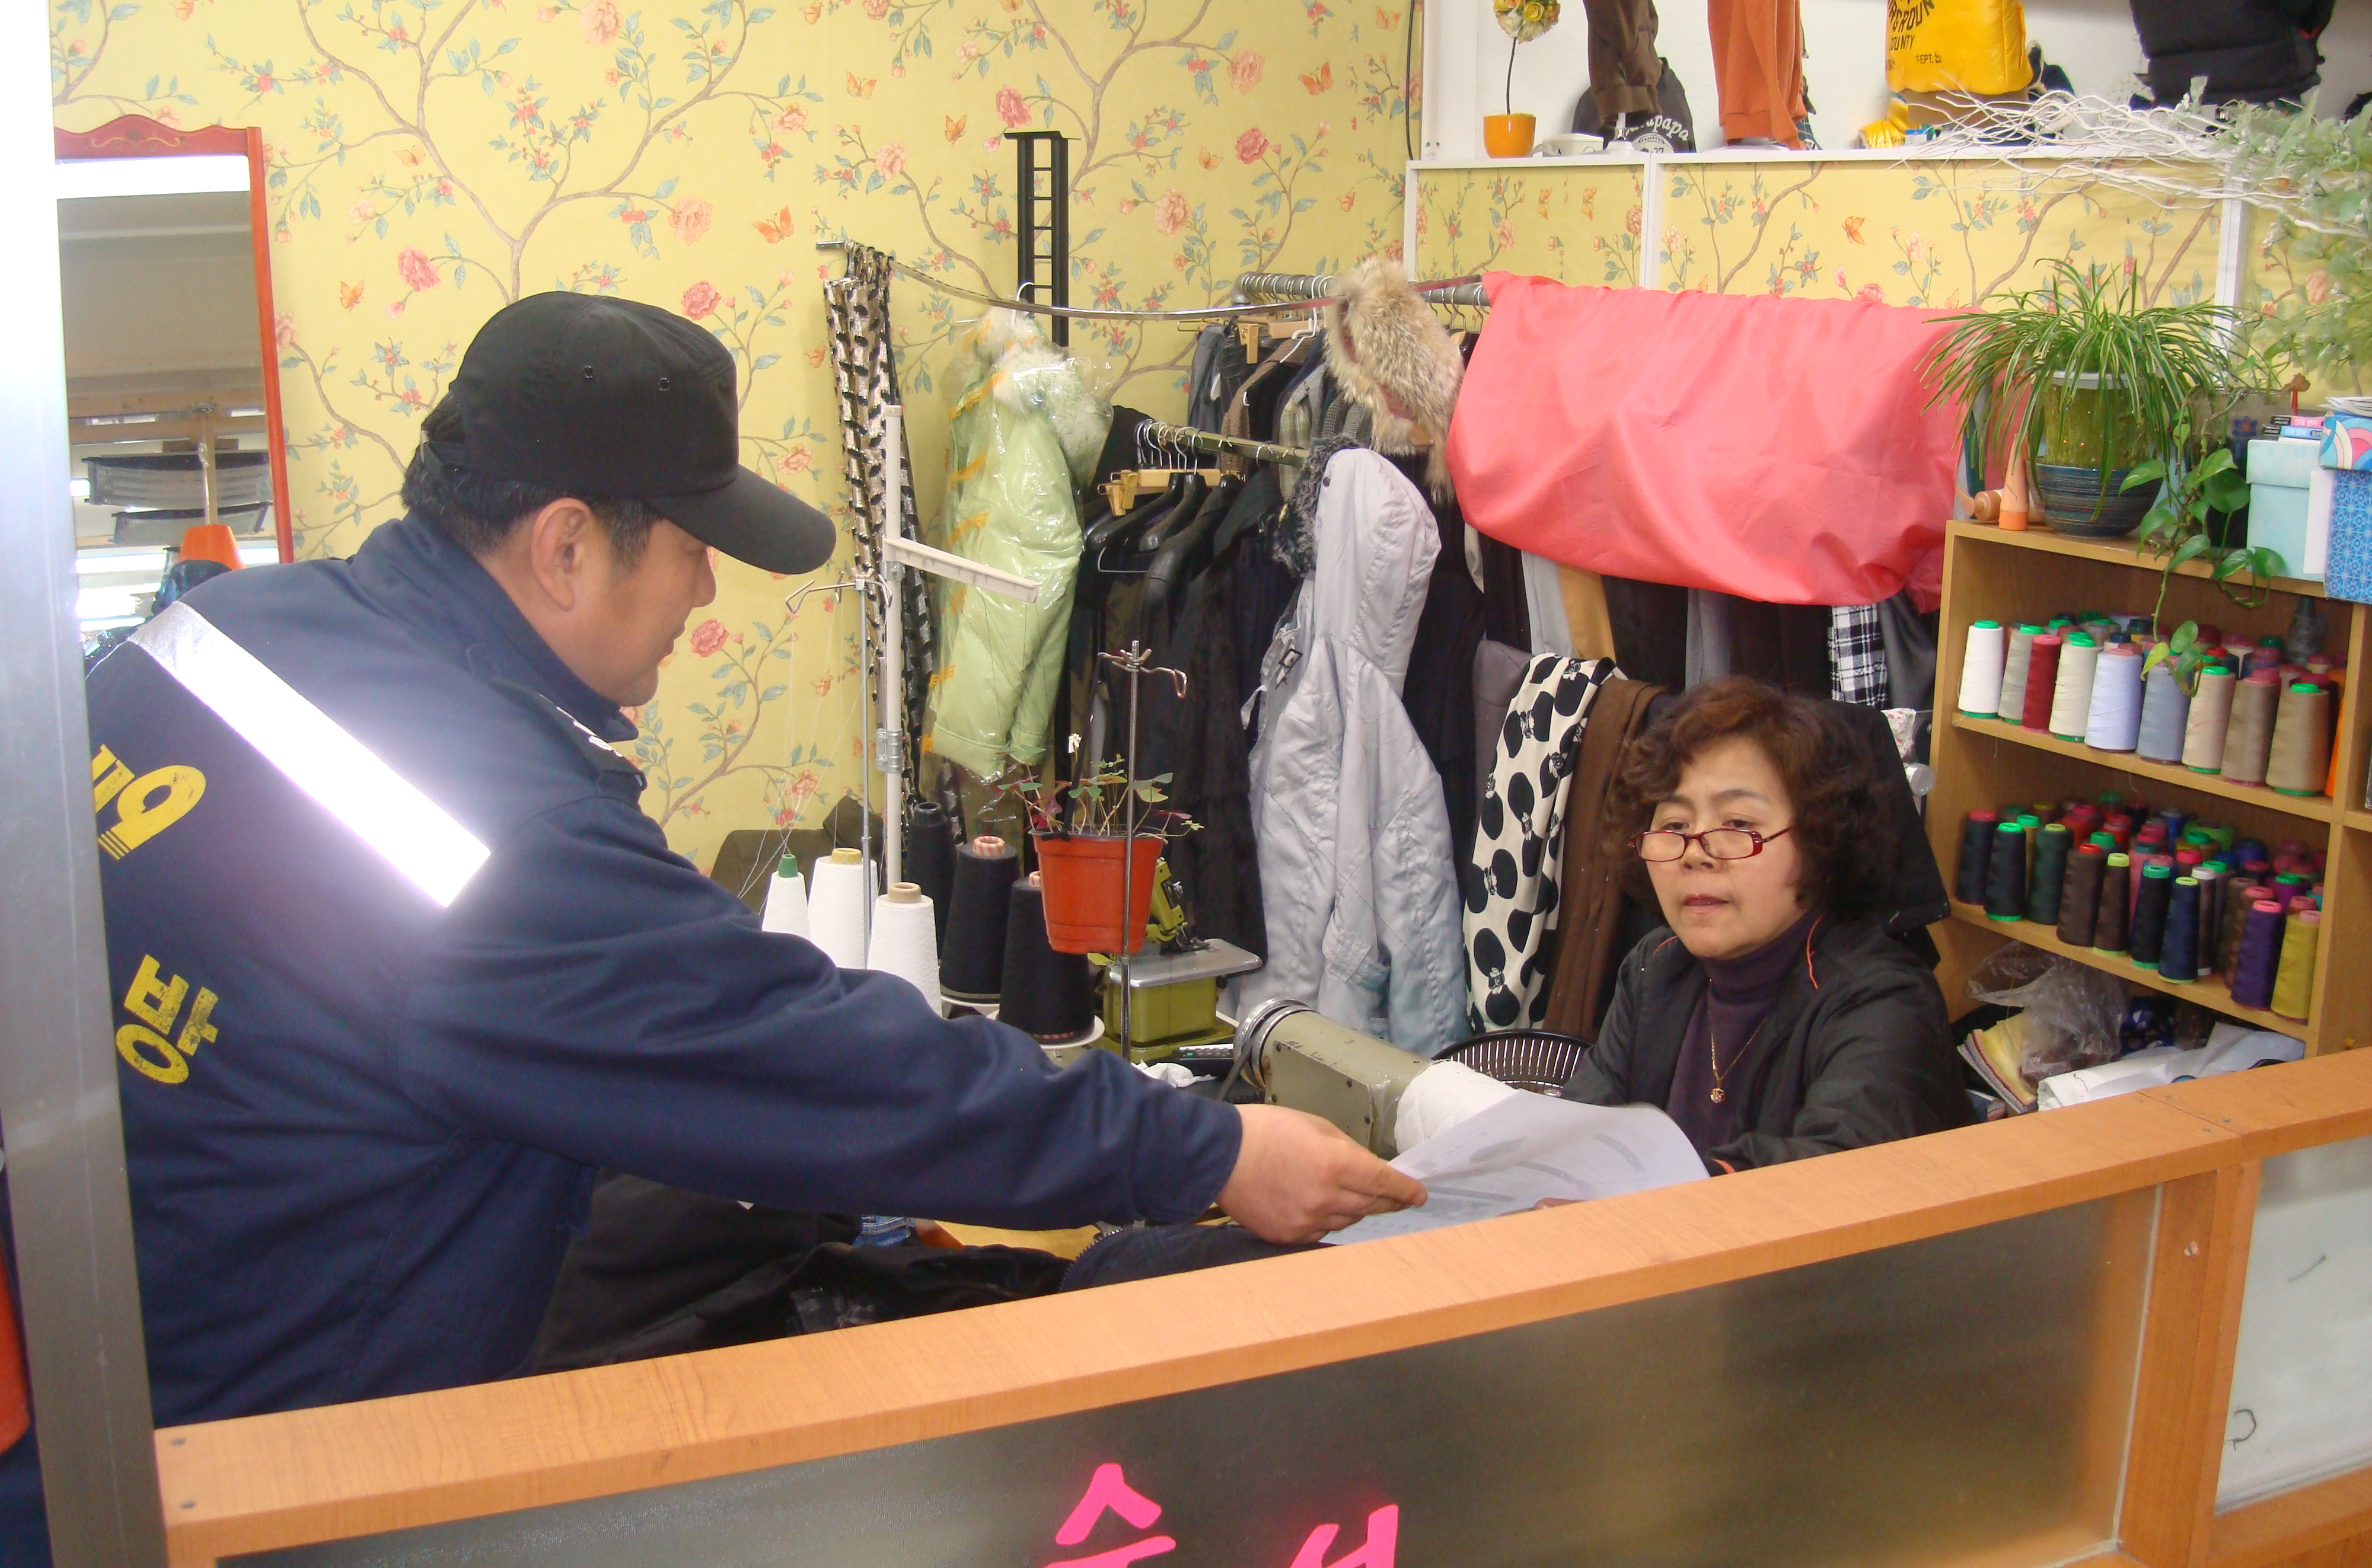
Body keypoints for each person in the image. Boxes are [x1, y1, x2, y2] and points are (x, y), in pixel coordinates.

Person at [73, 292, 1422, 1433]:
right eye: (690, 550)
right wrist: (1207, 1146)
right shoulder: (494, 837)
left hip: (101, 1366)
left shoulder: (215, 634)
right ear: (564, 545)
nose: (706, 592)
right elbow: (819, 1067)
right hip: (249, 1469)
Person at [1561, 676, 1972, 1170]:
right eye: (1674, 826)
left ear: (1820, 841)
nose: (1696, 853)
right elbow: (1581, 1131)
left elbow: (1832, 1176)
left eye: (1739, 825)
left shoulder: (1884, 1002)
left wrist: (1631, 1192)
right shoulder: (1657, 966)